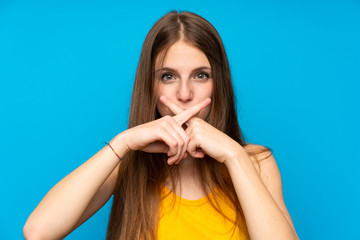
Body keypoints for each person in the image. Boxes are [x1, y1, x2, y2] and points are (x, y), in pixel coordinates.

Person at [23, 11, 299, 240]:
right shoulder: (128, 164)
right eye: (168, 76)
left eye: (201, 76)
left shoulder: (255, 162)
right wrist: (123, 143)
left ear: (219, 85)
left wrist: (234, 155)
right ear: (151, 87)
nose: (184, 94)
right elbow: (38, 232)